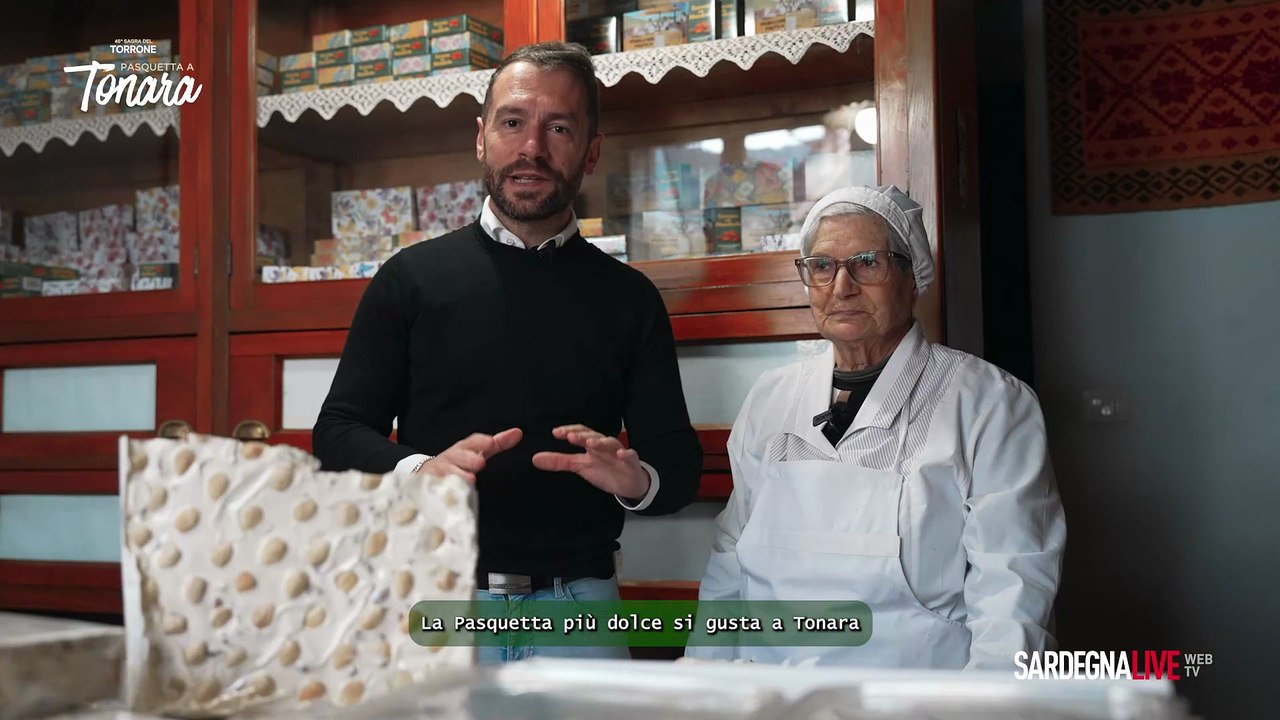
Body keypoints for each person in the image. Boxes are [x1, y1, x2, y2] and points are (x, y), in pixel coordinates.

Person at [313, 41, 703, 663]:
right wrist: (421, 470)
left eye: (559, 128)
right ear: (481, 137)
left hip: (582, 608)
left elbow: (679, 463)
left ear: (592, 151)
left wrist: (638, 479)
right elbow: (336, 433)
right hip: (439, 599)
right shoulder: (409, 278)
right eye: (512, 122)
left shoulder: (629, 298)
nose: (532, 149)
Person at [687, 185, 1066, 670]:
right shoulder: (770, 397)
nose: (841, 286)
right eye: (822, 266)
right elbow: (731, 557)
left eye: (867, 263)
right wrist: (706, 678)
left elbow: (1014, 585)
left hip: (918, 698)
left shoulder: (990, 402)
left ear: (913, 278)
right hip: (771, 693)